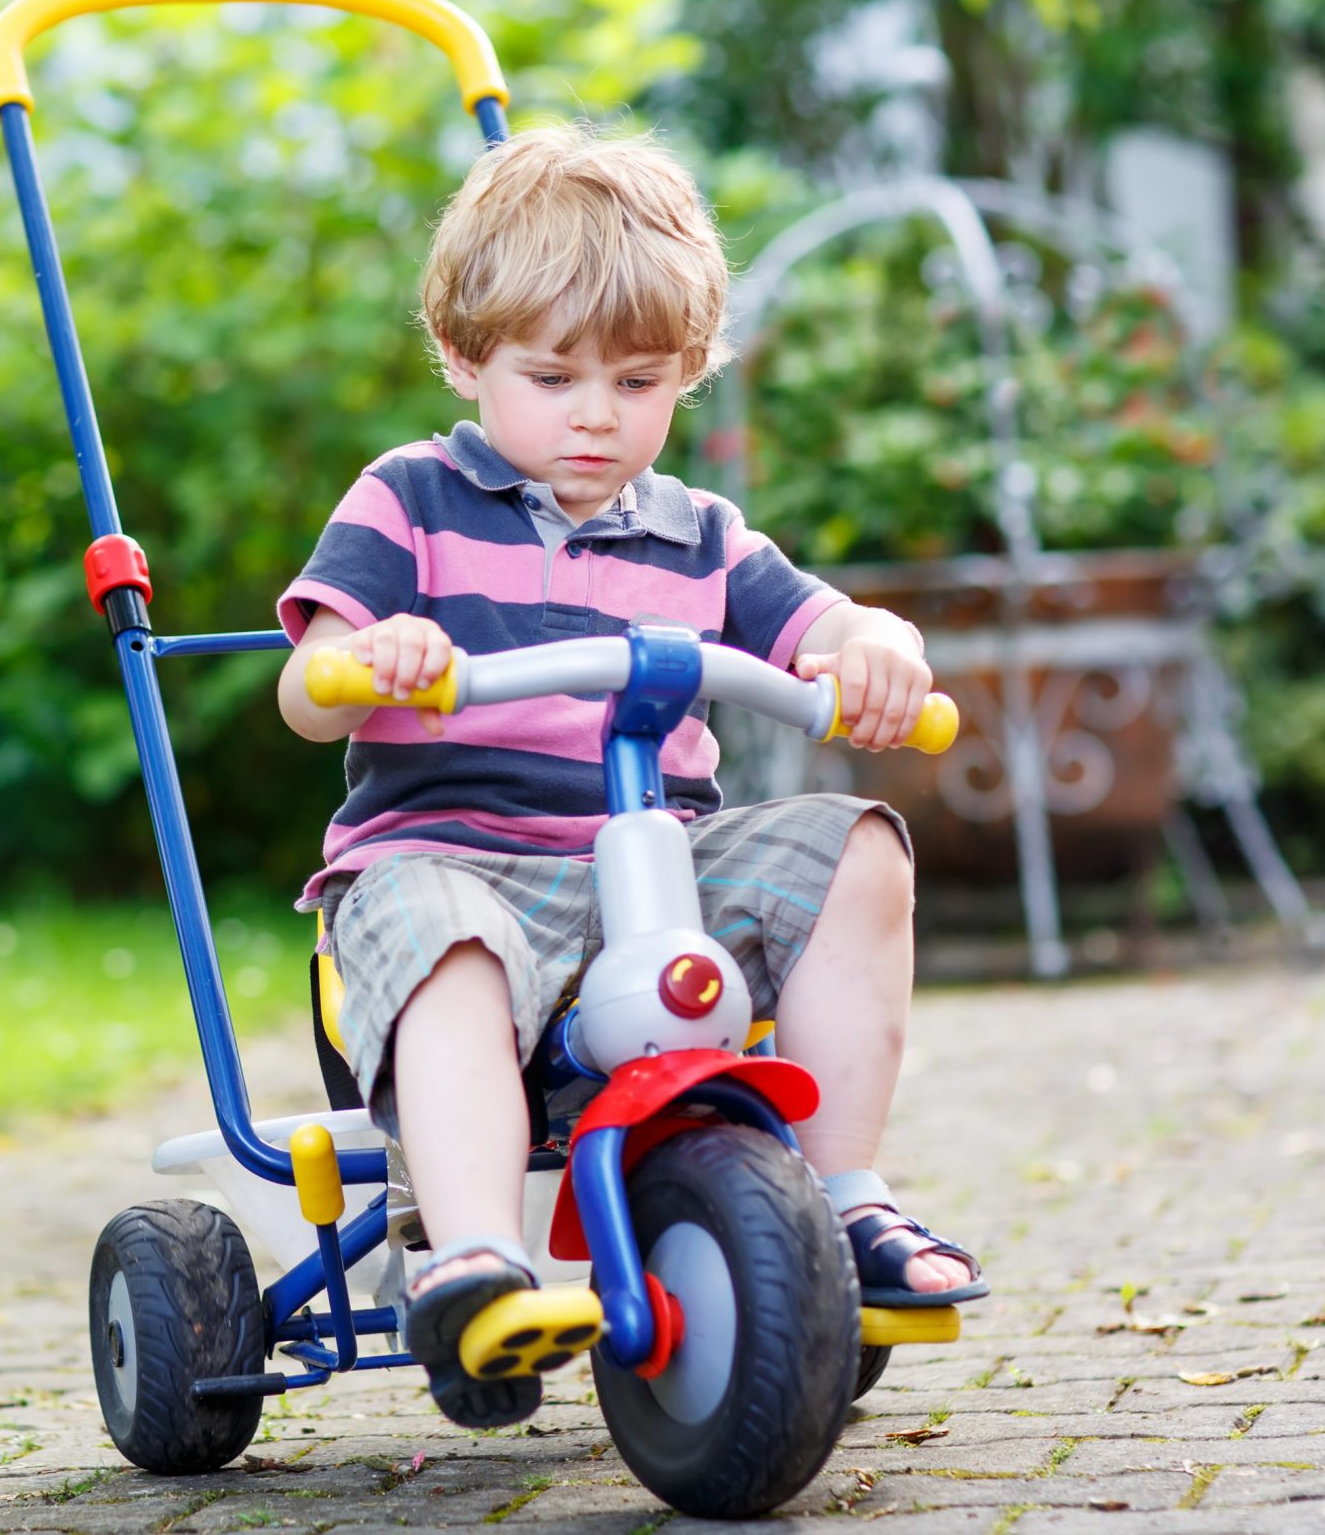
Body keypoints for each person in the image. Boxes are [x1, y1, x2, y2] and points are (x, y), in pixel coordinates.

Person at [274, 122, 985, 1428]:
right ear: (464, 356)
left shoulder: (700, 533)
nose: (597, 415)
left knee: (860, 846)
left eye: (640, 380)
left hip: (654, 872)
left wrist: (879, 650)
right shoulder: (409, 500)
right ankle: (479, 1261)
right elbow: (305, 685)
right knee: (450, 943)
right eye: (553, 377)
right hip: (451, 863)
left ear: (691, 373)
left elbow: (826, 631)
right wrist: (370, 658)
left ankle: (840, 1198)